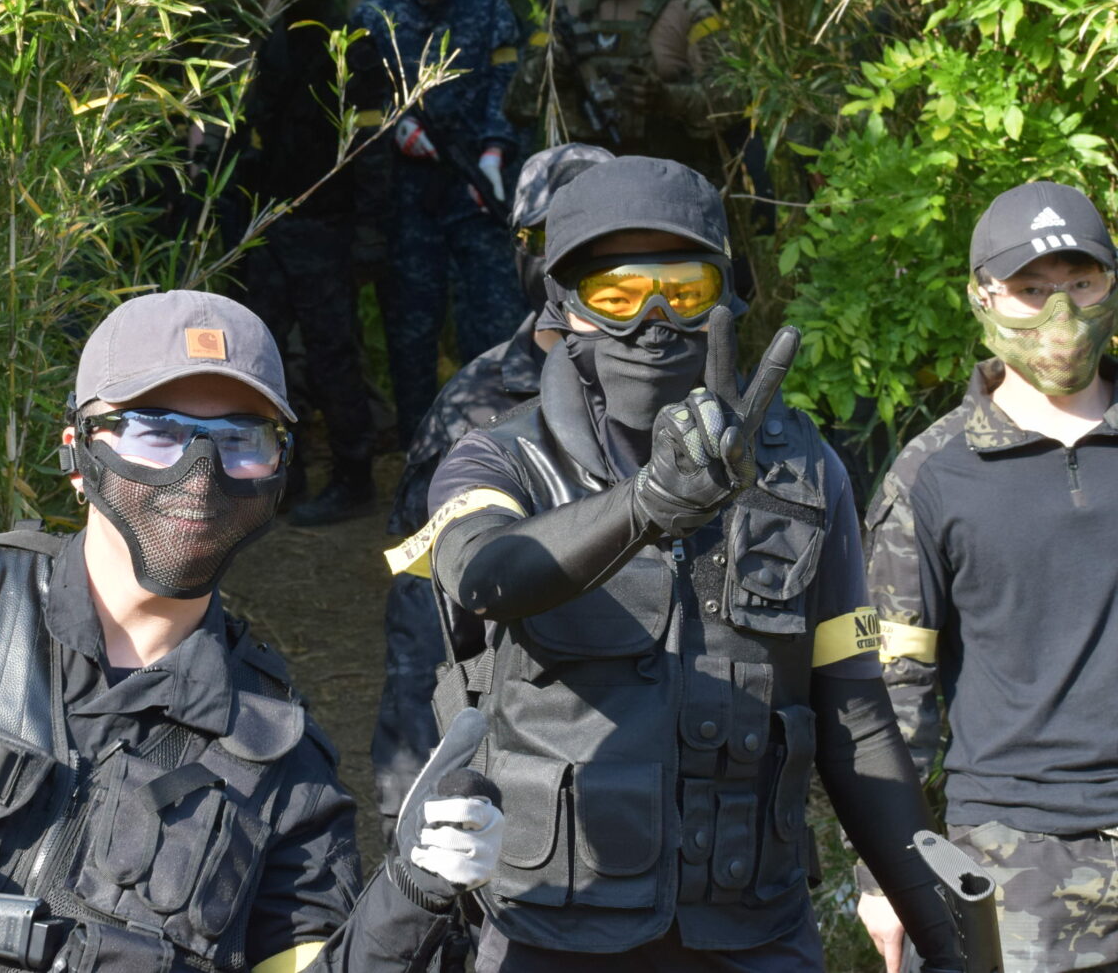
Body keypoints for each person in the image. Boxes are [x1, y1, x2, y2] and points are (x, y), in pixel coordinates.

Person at [0, 290, 506, 973]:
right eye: (157, 431)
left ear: (279, 467)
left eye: (240, 440)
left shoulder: (281, 752)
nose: (200, 474)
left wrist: (414, 893)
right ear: (79, 451)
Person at [392, 156, 962, 970]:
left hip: (753, 930)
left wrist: (945, 937)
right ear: (564, 305)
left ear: (727, 299)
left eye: (685, 291)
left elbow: (856, 721)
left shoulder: (805, 472)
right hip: (550, 930)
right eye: (618, 295)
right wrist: (650, 503)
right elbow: (485, 574)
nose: (654, 321)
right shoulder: (501, 458)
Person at [857, 181, 1118, 973]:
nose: (1060, 313)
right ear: (983, 297)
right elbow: (889, 693)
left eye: (1081, 283)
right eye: (1031, 290)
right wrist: (883, 874)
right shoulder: (932, 475)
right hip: (1014, 872)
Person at [371, 143, 611, 846]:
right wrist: (414, 800)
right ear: (525, 252)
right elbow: (425, 621)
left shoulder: (690, 399)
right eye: (553, 239)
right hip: (524, 772)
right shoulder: (474, 411)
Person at [351, 0, 530, 447]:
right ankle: (420, 455)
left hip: (477, 194)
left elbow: (509, 90)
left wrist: (495, 156)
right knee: (411, 340)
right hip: (406, 204)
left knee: (496, 328)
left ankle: (505, 450)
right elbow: (356, 100)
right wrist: (393, 127)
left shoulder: (490, 8)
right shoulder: (374, 17)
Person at [238, 0, 378, 525]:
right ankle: (282, 480)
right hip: (275, 225)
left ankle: (353, 476)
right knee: (267, 355)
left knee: (332, 357)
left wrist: (368, 233)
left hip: (323, 226)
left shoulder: (345, 40)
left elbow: (369, 144)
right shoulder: (274, 37)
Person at [504, 0, 737, 185]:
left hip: (668, 186)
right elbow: (517, 107)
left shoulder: (687, 7)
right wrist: (552, 67)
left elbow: (732, 104)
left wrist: (668, 99)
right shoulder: (569, 13)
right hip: (587, 188)